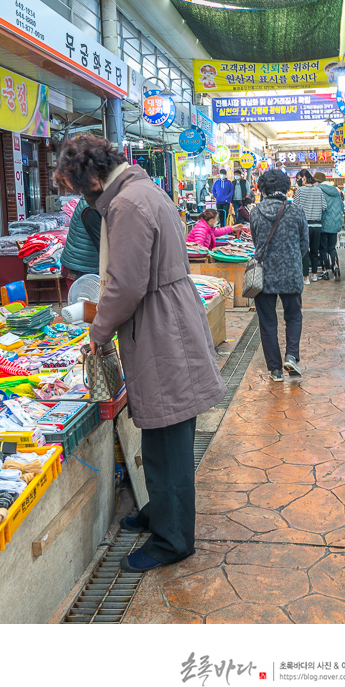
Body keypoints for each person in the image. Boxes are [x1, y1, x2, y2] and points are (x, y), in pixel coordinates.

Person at [54, 134, 227, 573]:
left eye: (78, 186)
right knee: (159, 432)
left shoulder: (127, 204)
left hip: (160, 328)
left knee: (168, 438)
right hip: (164, 320)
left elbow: (126, 284)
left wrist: (99, 330)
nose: (81, 196)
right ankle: (159, 514)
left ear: (93, 175)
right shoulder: (142, 189)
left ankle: (173, 540)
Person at [250, 170, 308, 382]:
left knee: (267, 322)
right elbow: (304, 245)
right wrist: (291, 257)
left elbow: (257, 243)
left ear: (262, 189)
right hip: (291, 273)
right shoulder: (297, 211)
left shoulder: (255, 213)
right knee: (293, 315)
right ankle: (291, 356)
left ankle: (275, 370)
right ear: (286, 188)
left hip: (264, 275)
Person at [292, 168, 327, 284]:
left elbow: (294, 207)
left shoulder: (300, 191)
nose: (298, 181)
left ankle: (306, 277)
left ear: (304, 178)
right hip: (317, 225)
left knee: (304, 252)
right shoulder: (318, 190)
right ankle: (315, 275)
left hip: (304, 225)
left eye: (298, 179)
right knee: (314, 251)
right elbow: (324, 206)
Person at [60, 198, 103, 288]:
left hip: (84, 264)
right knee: (82, 300)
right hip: (79, 268)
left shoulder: (93, 202)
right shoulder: (91, 210)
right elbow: (102, 245)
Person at [316, 171, 344, 281]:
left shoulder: (319, 190)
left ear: (318, 181)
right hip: (335, 223)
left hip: (323, 224)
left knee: (323, 249)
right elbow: (342, 206)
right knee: (332, 248)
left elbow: (320, 207)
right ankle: (336, 266)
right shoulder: (336, 191)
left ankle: (325, 271)